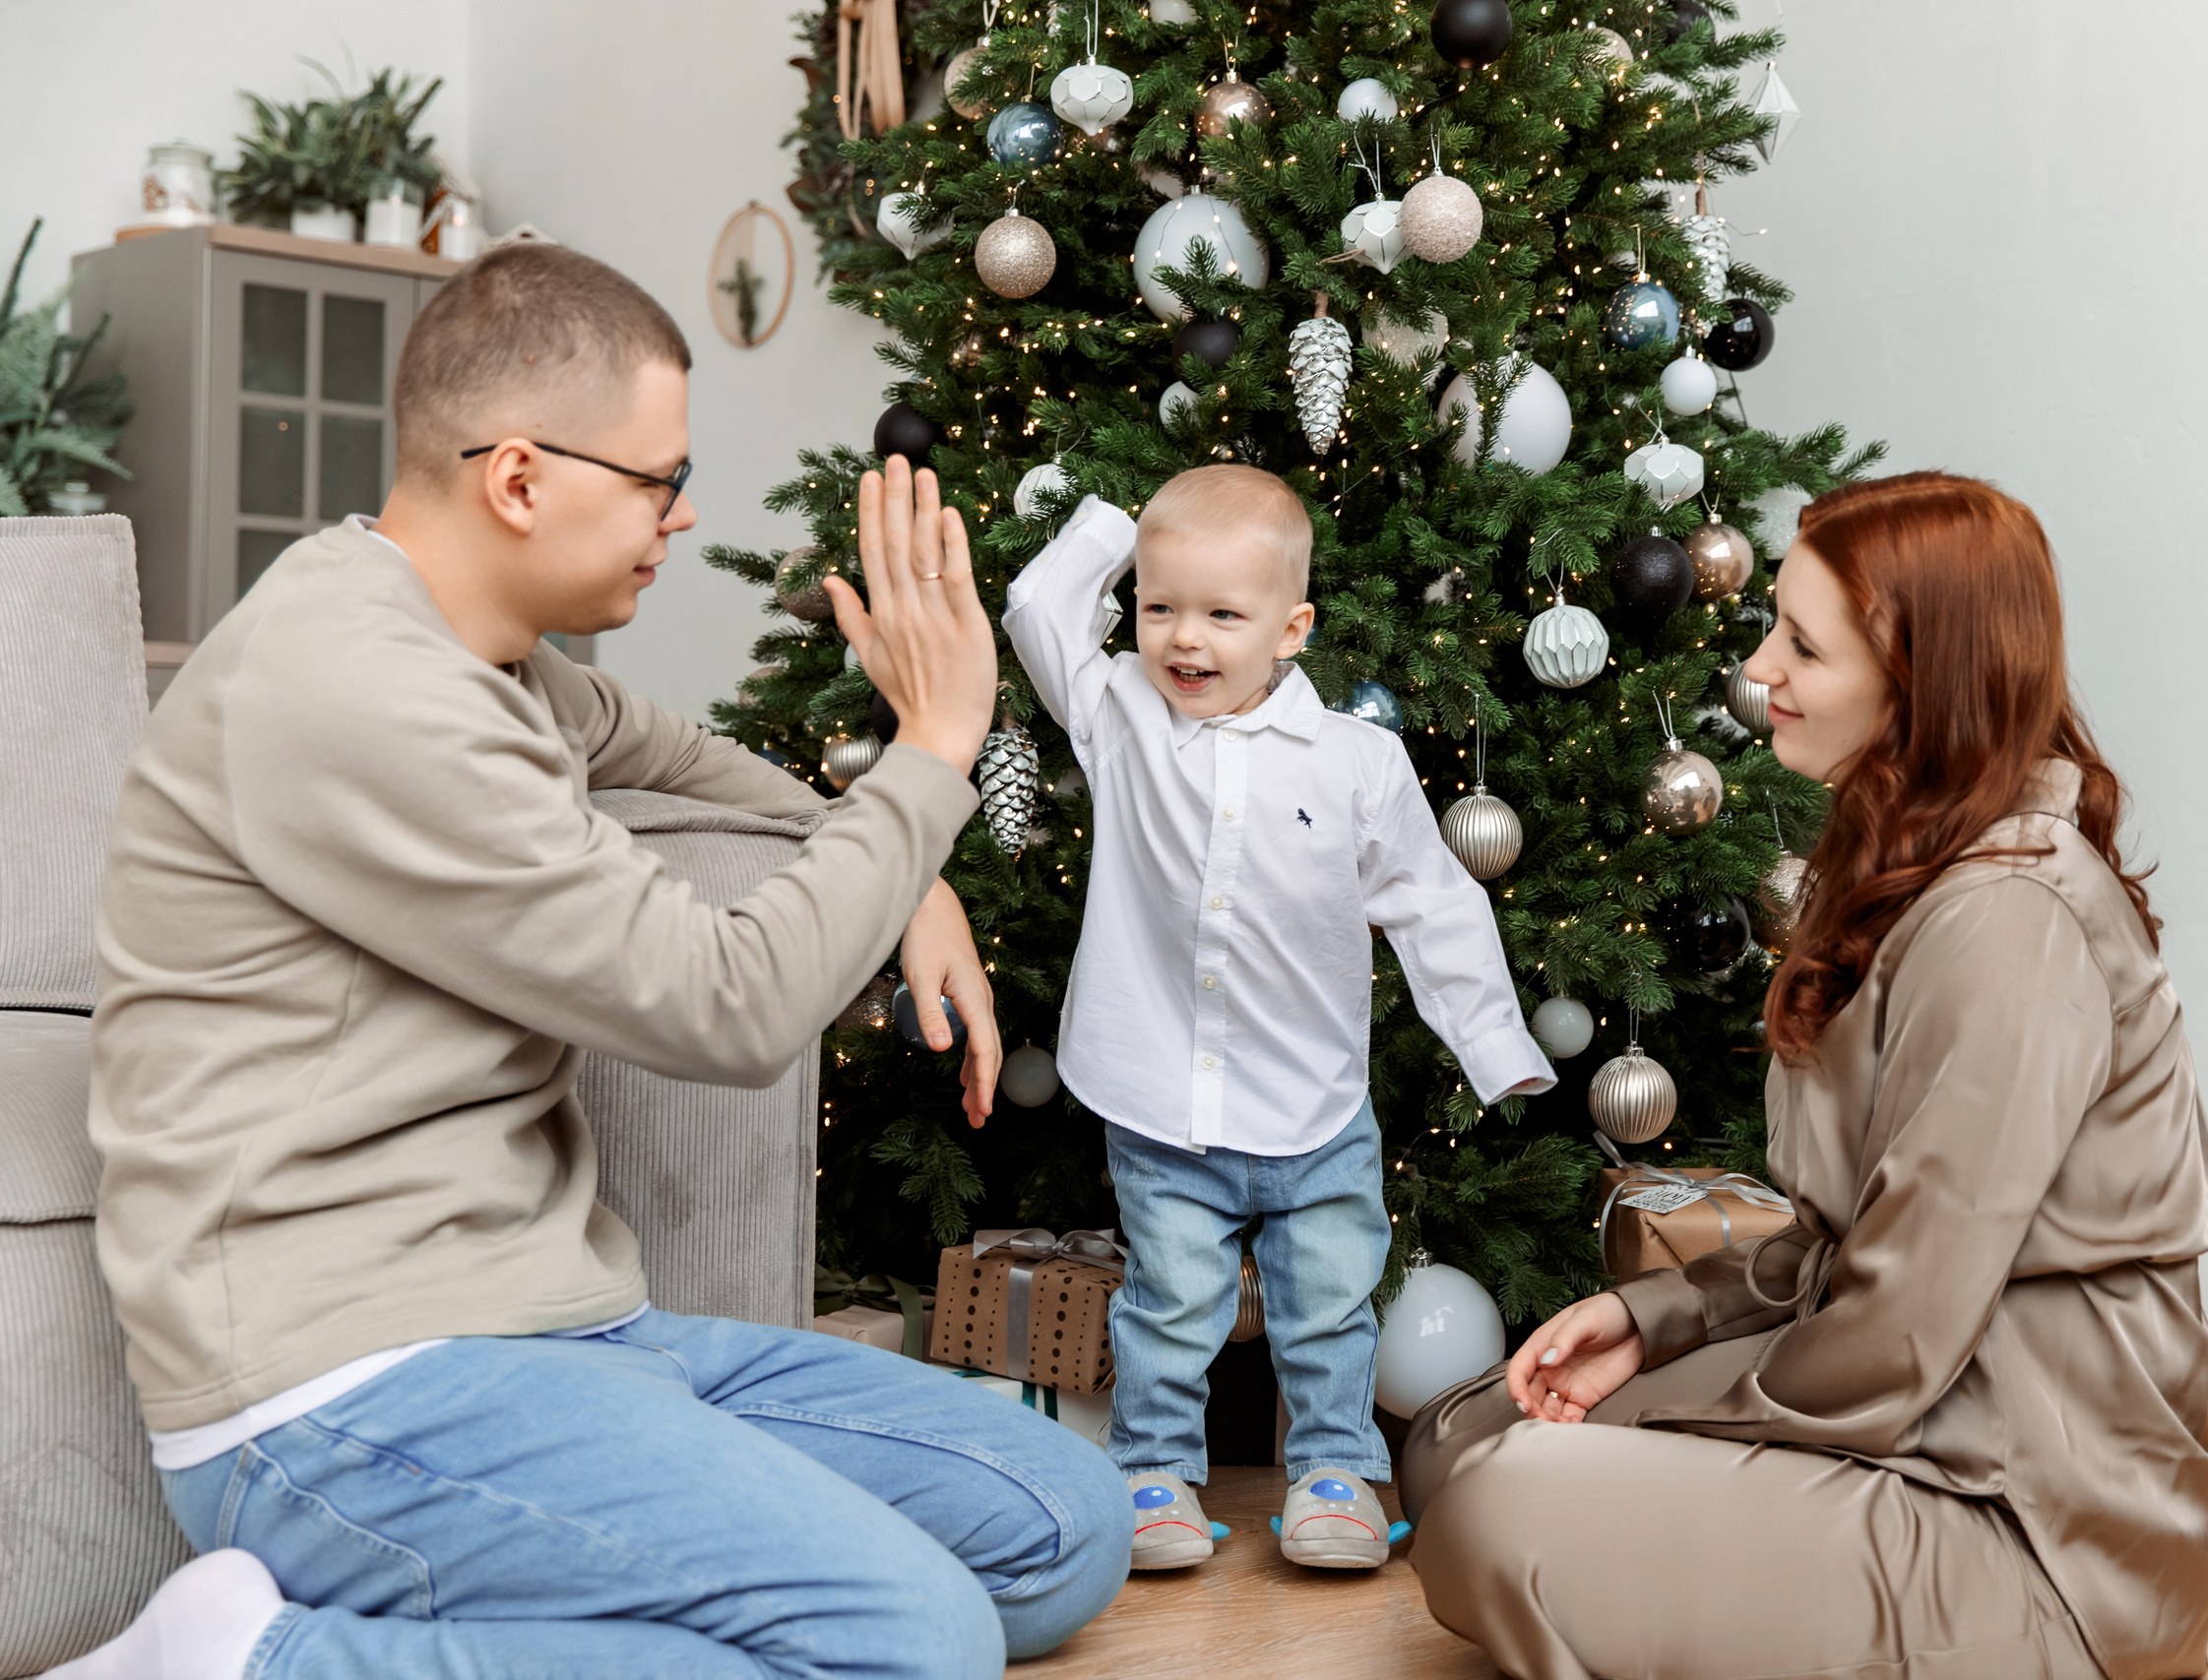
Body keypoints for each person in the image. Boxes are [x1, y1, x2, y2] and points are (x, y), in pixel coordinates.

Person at [57, 243, 1128, 1680]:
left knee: (1057, 1528)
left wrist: (907, 869)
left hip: (563, 1330)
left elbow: (679, 755)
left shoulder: (493, 655)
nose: (681, 516)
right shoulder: (360, 690)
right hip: (341, 1389)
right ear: (518, 478)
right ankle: (249, 1660)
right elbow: (729, 1005)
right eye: (657, 480)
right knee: (913, 1641)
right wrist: (932, 755)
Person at [1401, 472, 2208, 1680]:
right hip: (1909, 1413)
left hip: (2030, 1520)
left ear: (1919, 684)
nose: (1760, 671)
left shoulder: (2007, 918)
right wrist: (1656, 1321)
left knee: (1500, 1502)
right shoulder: (1902, 858)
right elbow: (1848, 1243)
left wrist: (1655, 1414)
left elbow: (1900, 1330)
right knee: (1459, 1438)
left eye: (1802, 645)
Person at [1002, 466, 1555, 1573]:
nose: (1183, 638)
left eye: (1222, 613)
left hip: (1314, 1104)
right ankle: (1152, 1473)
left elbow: (1434, 906)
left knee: (1330, 1307)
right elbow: (1036, 609)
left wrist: (1495, 1047)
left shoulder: (1356, 761)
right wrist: (1119, 527)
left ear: (1291, 630)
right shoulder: (1120, 717)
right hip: (1161, 1093)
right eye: (1160, 607)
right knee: (1168, 1304)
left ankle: (1335, 1473)